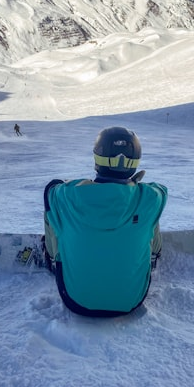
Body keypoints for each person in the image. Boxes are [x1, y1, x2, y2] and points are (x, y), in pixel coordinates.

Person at [43, 126, 168, 317]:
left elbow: (52, 188)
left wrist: (77, 185)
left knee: (54, 210)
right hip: (131, 299)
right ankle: (154, 253)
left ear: (97, 157)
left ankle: (51, 253)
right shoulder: (150, 197)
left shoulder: (67, 196)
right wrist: (133, 186)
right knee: (148, 214)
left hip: (76, 299)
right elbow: (160, 190)